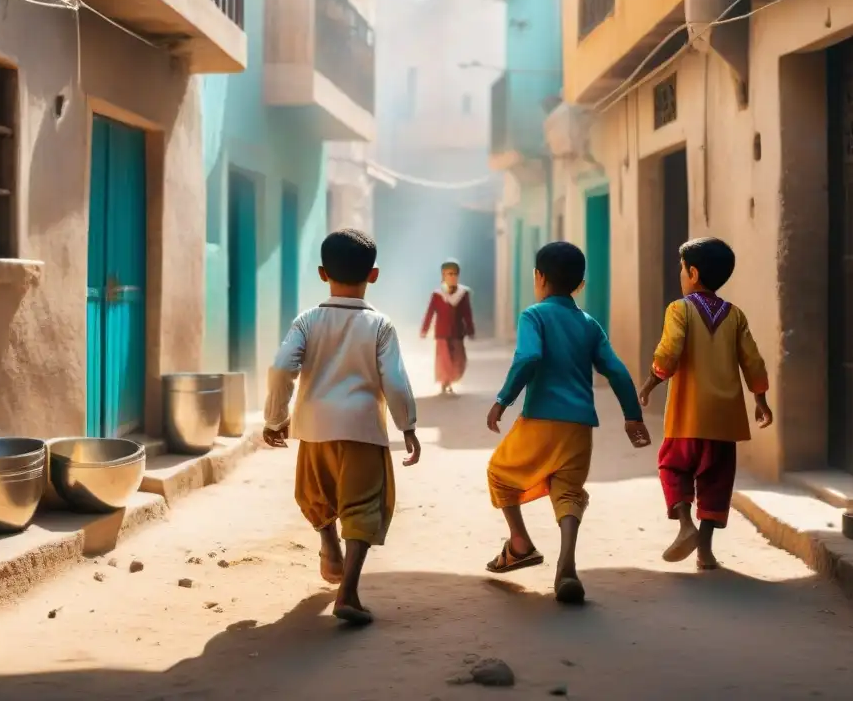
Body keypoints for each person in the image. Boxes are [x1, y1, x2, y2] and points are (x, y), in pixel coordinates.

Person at [262, 229, 421, 626]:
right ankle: (348, 591)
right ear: (374, 275)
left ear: (321, 273)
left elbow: (283, 367)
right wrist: (408, 426)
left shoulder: (307, 320)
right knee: (363, 507)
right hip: (363, 430)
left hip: (314, 428)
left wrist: (275, 418)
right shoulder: (381, 326)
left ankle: (327, 543)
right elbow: (396, 382)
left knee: (317, 494)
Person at [485, 241, 651, 604]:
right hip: (579, 427)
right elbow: (618, 371)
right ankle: (566, 565)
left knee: (499, 472)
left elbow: (529, 356)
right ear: (580, 284)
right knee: (569, 492)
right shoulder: (589, 324)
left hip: (541, 419)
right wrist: (632, 416)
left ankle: (520, 543)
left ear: (539, 277)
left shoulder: (534, 316)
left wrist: (503, 399)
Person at [638, 237, 773, 571]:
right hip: (725, 421)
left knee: (673, 467)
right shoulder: (735, 315)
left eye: (682, 270)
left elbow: (670, 351)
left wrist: (653, 380)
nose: (680, 276)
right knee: (716, 480)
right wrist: (760, 399)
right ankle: (706, 551)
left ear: (693, 273)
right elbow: (753, 361)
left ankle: (686, 525)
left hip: (687, 416)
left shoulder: (679, 309)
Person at [421, 259, 475, 395]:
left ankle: (451, 379)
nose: (452, 277)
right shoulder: (437, 295)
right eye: (448, 274)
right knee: (444, 359)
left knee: (459, 359)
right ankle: (446, 381)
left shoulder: (463, 294)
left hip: (457, 333)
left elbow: (467, 313)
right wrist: (424, 329)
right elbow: (430, 313)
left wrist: (470, 330)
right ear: (443, 276)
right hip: (442, 333)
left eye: (454, 274)